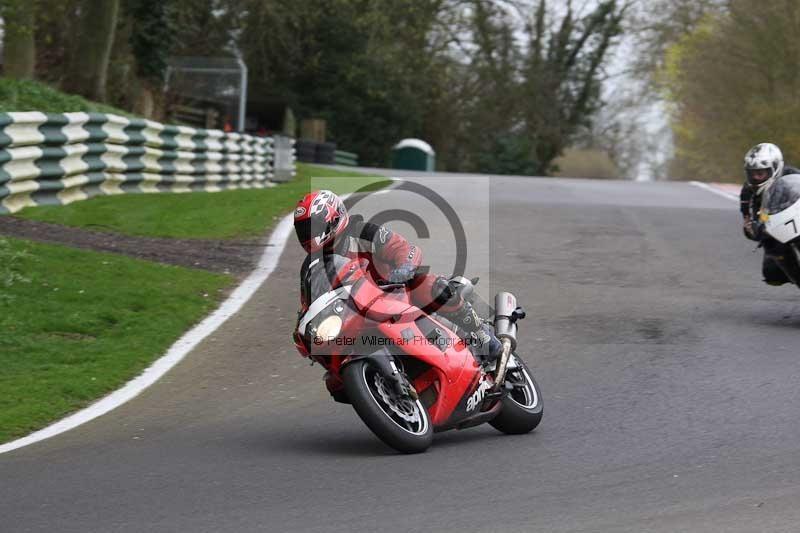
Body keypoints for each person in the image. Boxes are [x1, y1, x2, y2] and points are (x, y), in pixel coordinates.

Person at [292, 189, 502, 362]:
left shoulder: (362, 233)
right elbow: (310, 303)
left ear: (333, 218)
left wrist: (402, 270)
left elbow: (404, 249)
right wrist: (303, 329)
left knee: (426, 284)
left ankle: (482, 333)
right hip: (358, 316)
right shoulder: (311, 266)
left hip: (396, 293)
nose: (308, 235)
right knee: (334, 378)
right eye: (303, 230)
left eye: (313, 227)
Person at [740, 143, 800, 285]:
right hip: (774, 226)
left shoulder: (792, 174)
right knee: (772, 272)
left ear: (775, 167)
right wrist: (753, 228)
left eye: (760, 173)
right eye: (752, 173)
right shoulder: (748, 191)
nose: (756, 177)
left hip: (797, 219)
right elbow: (748, 220)